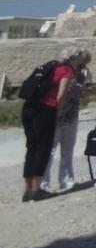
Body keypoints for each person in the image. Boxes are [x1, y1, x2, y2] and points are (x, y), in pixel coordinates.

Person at [21, 52, 77, 201]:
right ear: (73, 59)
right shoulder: (67, 69)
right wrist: (57, 109)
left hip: (28, 107)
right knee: (44, 147)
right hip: (46, 108)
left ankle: (27, 190)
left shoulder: (48, 65)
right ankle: (37, 189)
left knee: (31, 147)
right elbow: (61, 94)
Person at [42, 48, 92, 193]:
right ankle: (43, 183)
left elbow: (86, 93)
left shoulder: (80, 75)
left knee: (67, 151)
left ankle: (67, 180)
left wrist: (85, 83)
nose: (83, 67)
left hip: (71, 116)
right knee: (49, 151)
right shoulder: (58, 71)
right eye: (82, 64)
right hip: (55, 116)